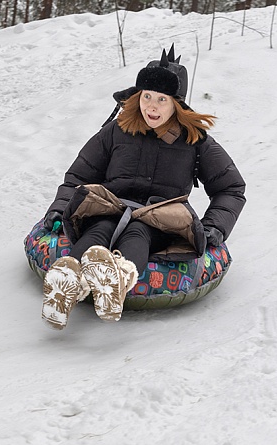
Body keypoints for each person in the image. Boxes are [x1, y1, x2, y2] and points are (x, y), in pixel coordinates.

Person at [41, 45, 246, 330]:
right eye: (147, 96)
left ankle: (117, 282)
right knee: (98, 229)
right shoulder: (116, 130)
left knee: (138, 234)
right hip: (112, 207)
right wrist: (61, 207)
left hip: (159, 219)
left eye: (162, 99)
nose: (151, 106)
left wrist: (215, 226)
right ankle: (67, 282)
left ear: (177, 104)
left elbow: (231, 187)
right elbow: (79, 174)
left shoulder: (194, 142)